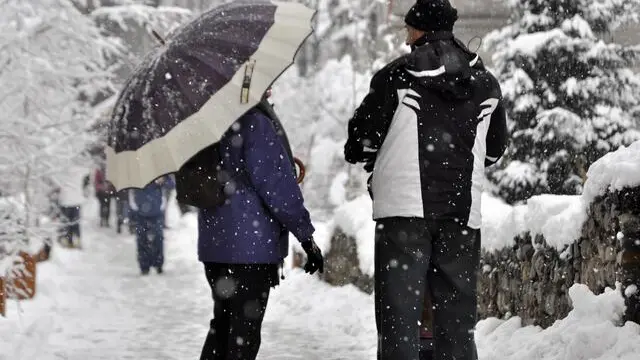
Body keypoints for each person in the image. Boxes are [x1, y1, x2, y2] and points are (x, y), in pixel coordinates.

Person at [343, 1, 509, 360]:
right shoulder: (485, 83)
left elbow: (360, 143)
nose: (405, 39)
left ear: (418, 30)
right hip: (461, 212)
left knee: (399, 316)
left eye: (407, 30)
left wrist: (375, 152)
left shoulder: (396, 77)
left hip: (403, 212)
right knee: (457, 317)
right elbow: (495, 151)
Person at [197, 96, 324, 360]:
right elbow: (278, 189)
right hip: (249, 248)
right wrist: (306, 237)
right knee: (242, 335)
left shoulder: (206, 121)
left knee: (223, 327)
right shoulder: (255, 122)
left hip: (215, 245)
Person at [129, 177, 166, 275]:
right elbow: (130, 193)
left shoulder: (158, 171)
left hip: (156, 212)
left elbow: (171, 184)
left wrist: (162, 181)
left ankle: (158, 264)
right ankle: (144, 266)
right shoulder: (134, 174)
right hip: (140, 213)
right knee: (141, 239)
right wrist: (133, 211)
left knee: (158, 238)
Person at [52, 166, 88, 248]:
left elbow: (55, 182)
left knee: (66, 222)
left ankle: (67, 240)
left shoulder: (62, 172)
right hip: (76, 201)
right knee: (75, 222)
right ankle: (77, 240)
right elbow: (87, 171)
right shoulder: (80, 171)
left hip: (65, 201)